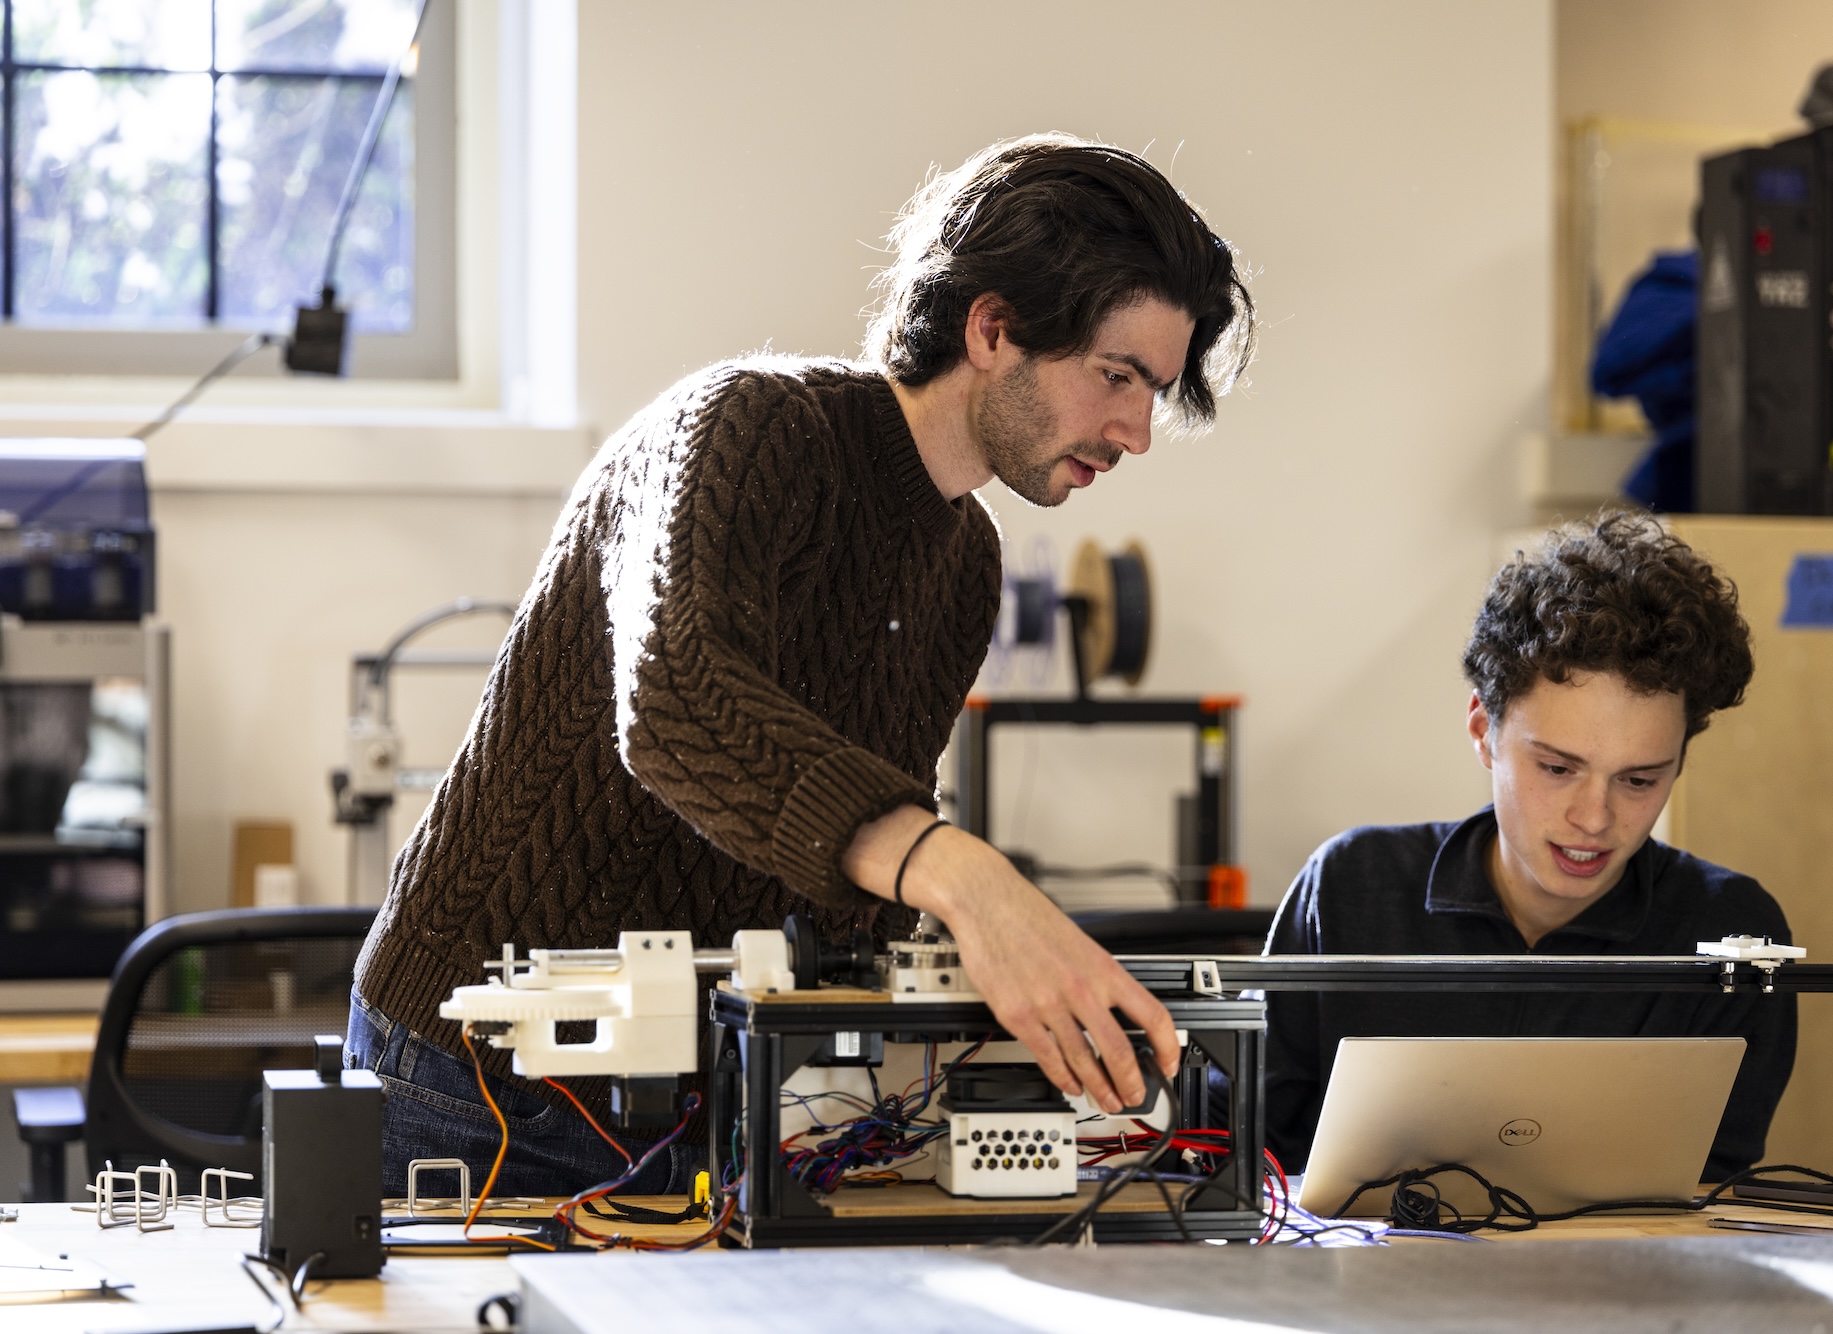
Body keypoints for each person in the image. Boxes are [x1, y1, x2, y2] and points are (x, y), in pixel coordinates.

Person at [347, 134, 1255, 1193]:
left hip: (689, 1100)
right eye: (1116, 375)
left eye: (1150, 389)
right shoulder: (745, 424)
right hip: (474, 1080)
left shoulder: (964, 564)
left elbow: (833, 879)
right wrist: (965, 876)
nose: (1135, 431)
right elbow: (680, 703)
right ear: (994, 327)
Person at [1263, 513, 1795, 1182]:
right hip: (1360, 1278)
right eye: (1557, 768)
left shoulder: (1729, 934)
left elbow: (1711, 1189)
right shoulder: (1351, 888)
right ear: (1484, 730)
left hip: (1625, 1283)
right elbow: (1254, 1149)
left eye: (1638, 780)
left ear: (1680, 761)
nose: (1595, 818)